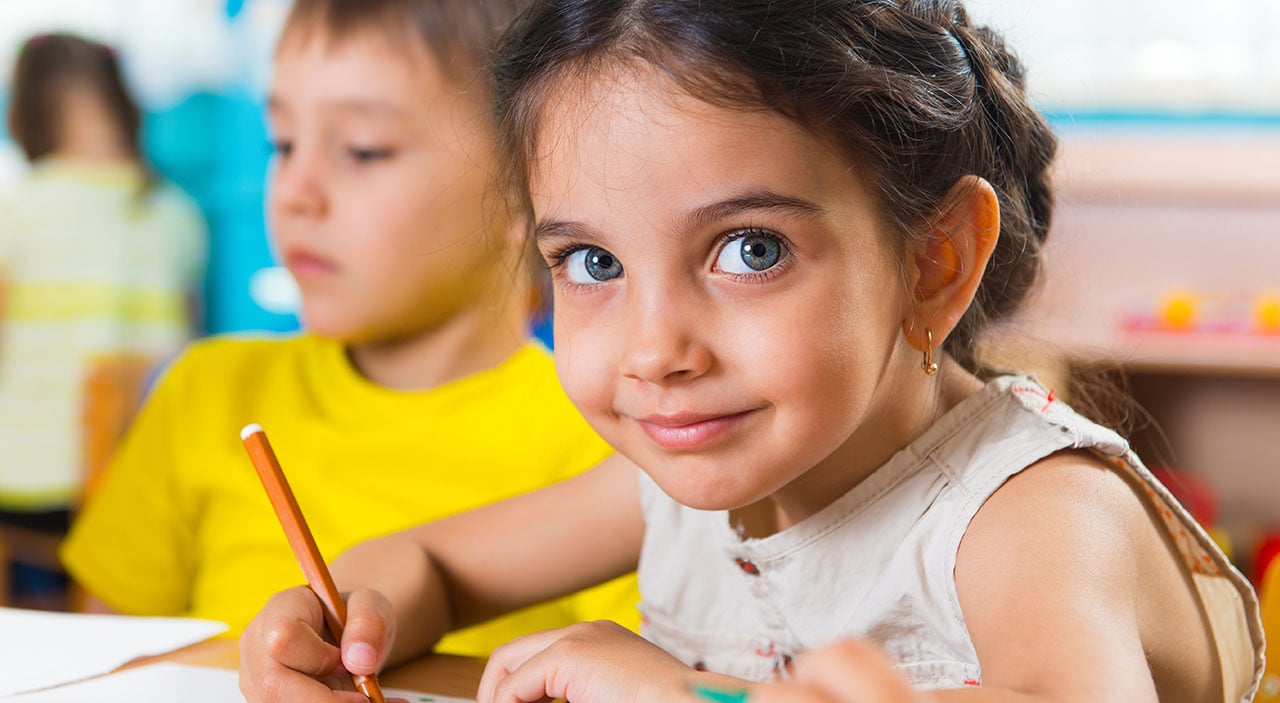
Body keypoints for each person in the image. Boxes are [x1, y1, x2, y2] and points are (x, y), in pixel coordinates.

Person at [239, 1, 1264, 701]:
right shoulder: (686, 477)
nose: (655, 348)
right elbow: (429, 563)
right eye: (592, 261)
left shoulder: (1029, 513)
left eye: (749, 249)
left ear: (933, 263)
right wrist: (342, 618)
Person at [60, 0, 637, 656]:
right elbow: (100, 664)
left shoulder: (608, 437)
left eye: (362, 150)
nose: (295, 189)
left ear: (527, 187)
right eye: (282, 143)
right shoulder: (206, 394)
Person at [0, 34, 204, 547]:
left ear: (27, 107)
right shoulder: (179, 213)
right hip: (143, 481)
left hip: (30, 482)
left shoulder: (18, 210)